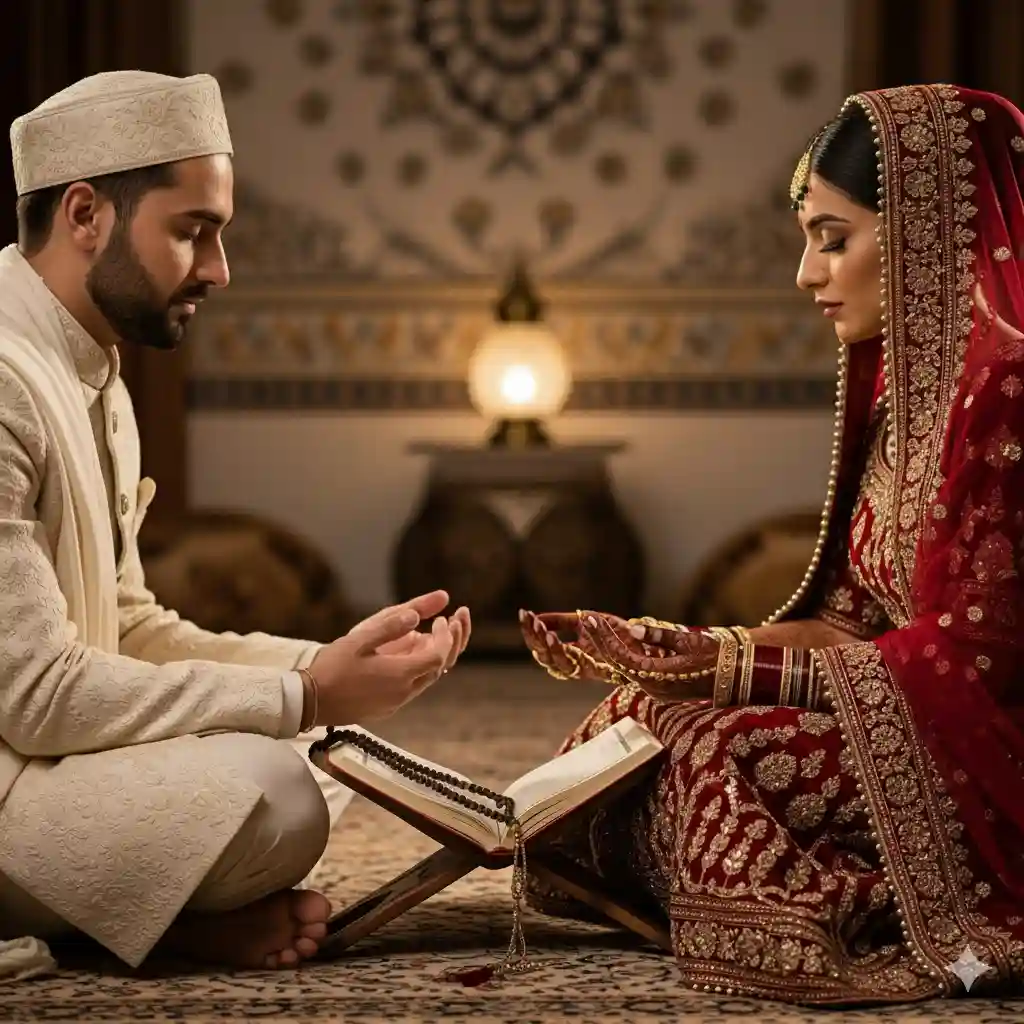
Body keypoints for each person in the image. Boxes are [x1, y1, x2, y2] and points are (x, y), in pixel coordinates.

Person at [522, 83, 1024, 1005]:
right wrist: (670, 652)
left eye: (832, 239)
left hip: (985, 759)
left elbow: (980, 668)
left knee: (720, 756)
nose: (806, 273)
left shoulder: (1004, 395)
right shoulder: (906, 398)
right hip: (897, 717)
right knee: (643, 716)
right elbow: (849, 624)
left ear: (924, 233)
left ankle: (835, 905)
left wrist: (730, 672)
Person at [0, 70, 472, 979]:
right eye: (193, 232)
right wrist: (307, 697)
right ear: (86, 213)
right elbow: (38, 697)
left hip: (44, 767)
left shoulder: (93, 367)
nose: (219, 269)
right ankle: (123, 925)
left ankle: (135, 915)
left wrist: (323, 667)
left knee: (324, 764)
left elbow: (129, 629)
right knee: (273, 789)